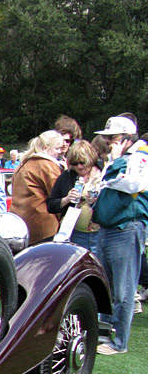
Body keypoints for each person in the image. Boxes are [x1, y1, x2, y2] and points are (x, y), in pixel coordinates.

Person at [91, 115, 148, 355]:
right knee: (107, 286)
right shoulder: (120, 160)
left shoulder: (139, 157)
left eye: (112, 138)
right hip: (109, 229)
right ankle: (104, 334)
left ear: (126, 138)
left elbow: (133, 184)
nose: (107, 142)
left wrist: (113, 167)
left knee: (123, 289)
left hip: (126, 229)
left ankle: (119, 341)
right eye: (106, 138)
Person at [47, 140, 102, 254]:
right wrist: (67, 199)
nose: (79, 166)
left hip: (100, 233)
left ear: (91, 159)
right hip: (76, 234)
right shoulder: (66, 176)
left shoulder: (103, 173)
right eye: (75, 163)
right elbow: (51, 205)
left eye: (82, 162)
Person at [11, 130, 65, 243]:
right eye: (57, 148)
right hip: (43, 227)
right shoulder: (47, 165)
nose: (60, 152)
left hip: (19, 224)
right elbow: (57, 196)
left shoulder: (24, 163)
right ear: (45, 147)